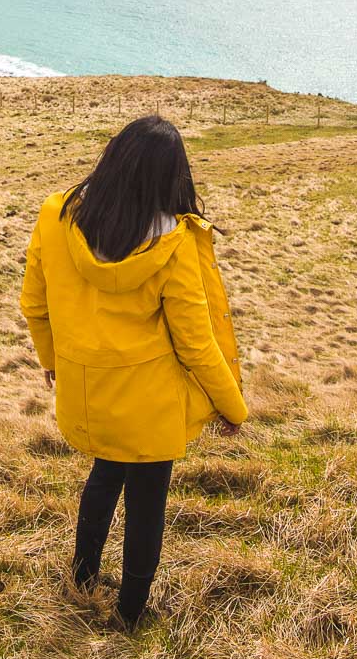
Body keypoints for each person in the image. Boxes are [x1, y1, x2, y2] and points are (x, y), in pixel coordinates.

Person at [20, 115, 248, 631]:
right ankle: (130, 613)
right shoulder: (174, 245)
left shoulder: (57, 217)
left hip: (89, 390)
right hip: (150, 405)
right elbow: (196, 344)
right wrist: (231, 406)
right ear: (172, 177)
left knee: (104, 475)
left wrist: (54, 362)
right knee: (148, 504)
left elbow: (35, 305)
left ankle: (82, 578)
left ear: (113, 158)